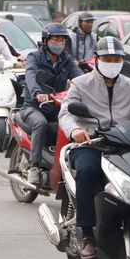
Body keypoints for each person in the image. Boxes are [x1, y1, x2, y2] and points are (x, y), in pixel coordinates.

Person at [58, 36, 130, 259]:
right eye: (107, 59)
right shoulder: (81, 84)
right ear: (96, 59)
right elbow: (66, 113)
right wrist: (74, 131)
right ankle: (87, 235)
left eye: (116, 59)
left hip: (124, 147)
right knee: (87, 171)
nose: (112, 63)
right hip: (91, 145)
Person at [21, 23, 83, 184]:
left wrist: (94, 88)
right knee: (40, 124)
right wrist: (38, 93)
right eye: (56, 40)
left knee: (76, 125)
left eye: (62, 40)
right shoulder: (34, 57)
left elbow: (81, 79)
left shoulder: (67, 60)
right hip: (34, 106)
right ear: (45, 40)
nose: (59, 44)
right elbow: (31, 76)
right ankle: (34, 166)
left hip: (58, 108)